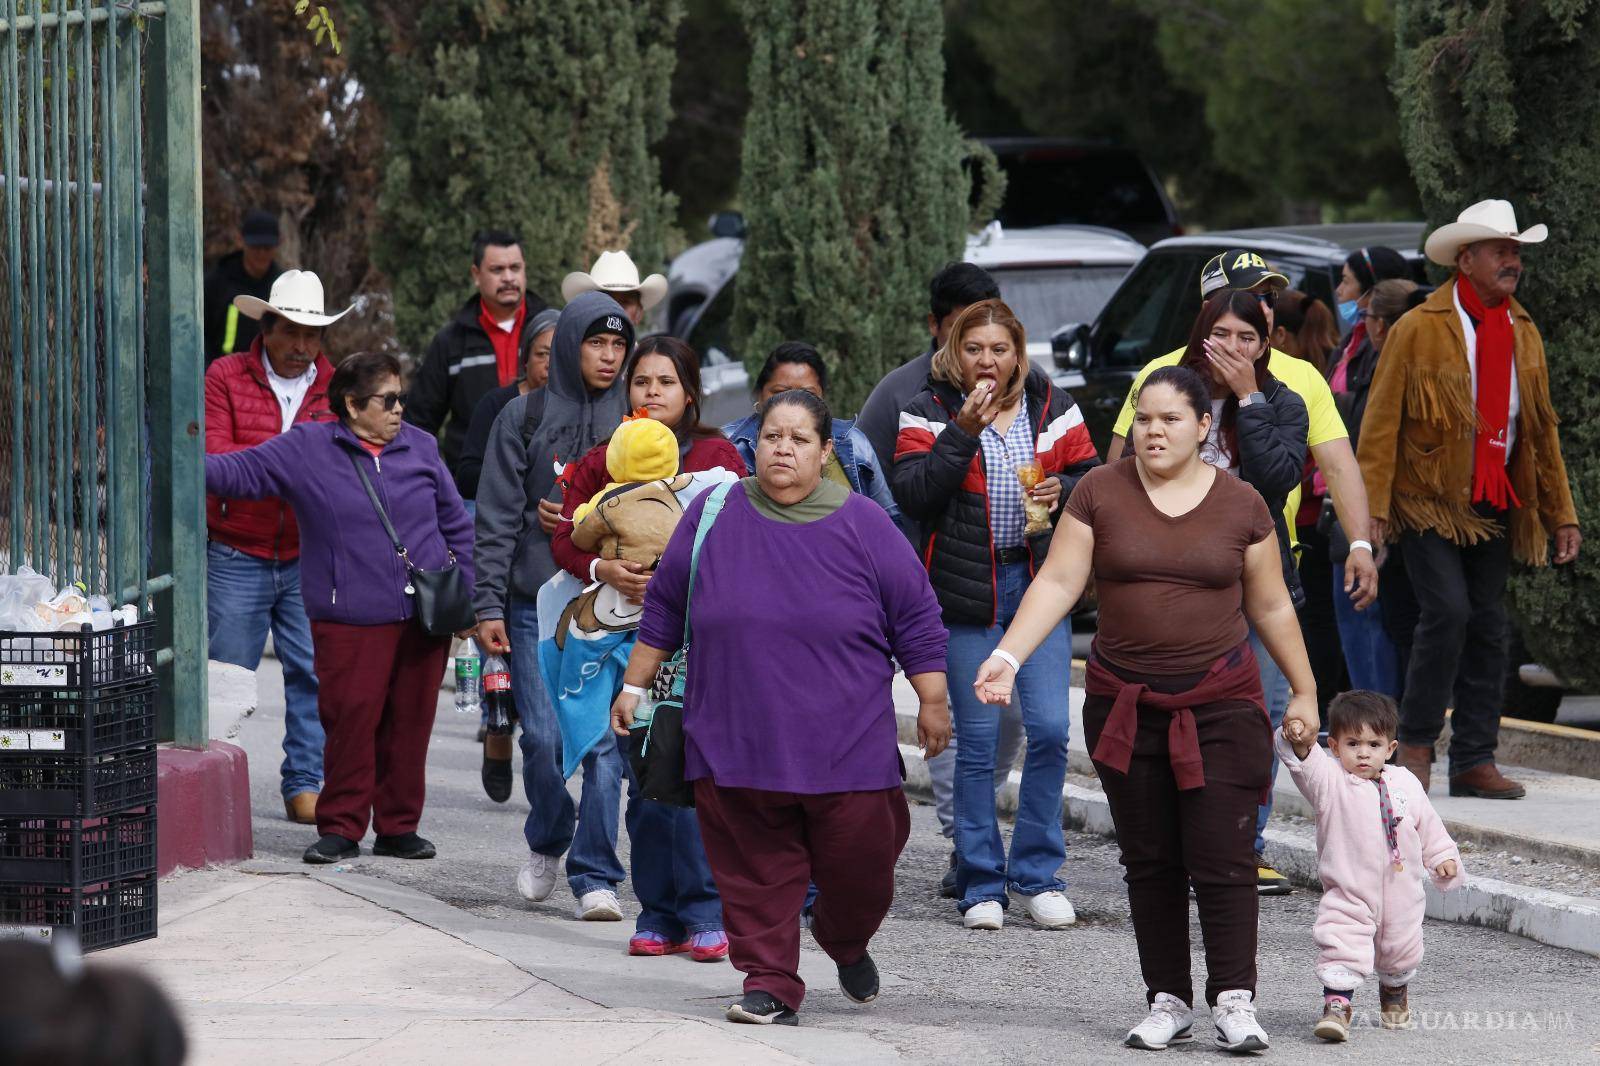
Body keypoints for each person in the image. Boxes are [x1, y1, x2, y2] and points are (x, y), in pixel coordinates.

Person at [974, 365, 1320, 1053]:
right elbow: (1061, 580)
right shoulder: (1100, 492)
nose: (1154, 430)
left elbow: (1273, 603)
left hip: (1221, 705)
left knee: (1223, 857)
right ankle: (1168, 999)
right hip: (1125, 706)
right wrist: (1007, 657)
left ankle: (1234, 999)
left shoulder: (1242, 503)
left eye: (1170, 419)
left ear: (1202, 427)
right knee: (1151, 859)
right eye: (1145, 419)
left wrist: (1305, 689)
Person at [610, 388, 952, 1027]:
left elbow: (917, 618)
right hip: (735, 736)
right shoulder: (714, 513)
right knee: (754, 868)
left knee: (865, 863)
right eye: (772, 436)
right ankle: (769, 982)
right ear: (754, 445)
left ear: (825, 452)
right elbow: (664, 606)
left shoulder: (865, 524)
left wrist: (932, 698)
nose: (783, 449)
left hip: (847, 744)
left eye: (799, 439)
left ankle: (844, 937)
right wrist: (633, 687)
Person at [1105, 249, 1377, 894]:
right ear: (1206, 315)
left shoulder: (1293, 382)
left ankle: (1239, 846)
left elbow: (1330, 466)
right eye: (1242, 299)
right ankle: (1173, 840)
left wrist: (1361, 543)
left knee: (1262, 712)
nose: (1252, 315)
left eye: (1266, 301)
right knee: (1165, 708)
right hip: (1164, 575)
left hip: (1259, 571)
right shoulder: (1161, 375)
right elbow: (1115, 467)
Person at [205, 351, 474, 864]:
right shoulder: (309, 447)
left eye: (402, 398)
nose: (399, 410)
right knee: (350, 721)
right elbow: (240, 472)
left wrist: (474, 598)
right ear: (352, 405)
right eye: (387, 400)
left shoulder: (421, 446)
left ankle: (398, 827)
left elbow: (457, 524)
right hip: (348, 618)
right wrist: (181, 459)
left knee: (411, 723)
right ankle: (343, 827)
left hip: (425, 618)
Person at [1358, 199, 1581, 799]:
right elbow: (1379, 425)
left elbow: (1540, 430)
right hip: (1427, 498)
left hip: (1498, 496)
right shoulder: (1418, 326)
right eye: (1501, 251)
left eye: (1516, 252)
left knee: (1489, 625)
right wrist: (1371, 512)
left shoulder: (1523, 329)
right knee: (1448, 613)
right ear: (1466, 258)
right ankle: (1417, 742)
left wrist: (1562, 513)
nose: (1513, 262)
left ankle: (1475, 759)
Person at [892, 298, 1099, 932]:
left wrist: (1062, 489)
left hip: (1037, 584)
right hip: (963, 593)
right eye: (974, 348)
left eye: (999, 349)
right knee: (976, 745)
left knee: (1049, 732)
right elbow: (915, 490)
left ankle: (1037, 873)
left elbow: (1093, 476)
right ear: (955, 351)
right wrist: (962, 429)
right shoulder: (926, 408)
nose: (987, 361)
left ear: (1018, 352)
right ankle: (981, 879)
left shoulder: (1052, 404)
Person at [547, 334, 745, 961]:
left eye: (666, 382)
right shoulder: (606, 458)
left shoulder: (717, 458)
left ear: (690, 394)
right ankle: (658, 910)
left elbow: (743, 536)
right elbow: (568, 536)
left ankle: (708, 911)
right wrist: (605, 572)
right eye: (641, 382)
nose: (651, 393)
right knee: (646, 780)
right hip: (616, 645)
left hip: (694, 644)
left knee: (692, 776)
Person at [474, 292, 635, 919]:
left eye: (619, 345)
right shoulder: (524, 417)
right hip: (533, 603)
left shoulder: (636, 421)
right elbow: (494, 516)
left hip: (611, 605)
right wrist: (486, 603)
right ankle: (548, 837)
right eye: (597, 342)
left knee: (599, 743)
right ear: (570, 345)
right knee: (541, 738)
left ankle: (595, 875)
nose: (609, 356)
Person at [205, 269, 346, 824]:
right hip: (236, 549)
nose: (303, 347)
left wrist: (266, 464)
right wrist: (295, 465)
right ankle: (218, 780)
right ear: (267, 327)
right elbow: (217, 460)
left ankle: (305, 783)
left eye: (313, 336)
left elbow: (341, 465)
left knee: (312, 673)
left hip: (307, 553)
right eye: (292, 332)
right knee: (228, 674)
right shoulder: (226, 376)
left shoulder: (336, 387)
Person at [1277, 690, 1463, 1043]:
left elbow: (1428, 824)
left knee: (1400, 947)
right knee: (1342, 941)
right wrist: (1297, 738)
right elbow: (1303, 762)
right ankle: (1337, 1005)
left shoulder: (1405, 783)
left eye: (1374, 744)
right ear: (1333, 746)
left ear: (1390, 749)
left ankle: (1394, 992)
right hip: (1349, 887)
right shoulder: (1329, 783)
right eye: (1353, 743)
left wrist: (1443, 857)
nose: (1363, 752)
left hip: (1402, 889)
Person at [1330, 280, 1428, 698]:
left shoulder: (1381, 369)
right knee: (1395, 625)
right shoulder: (1393, 362)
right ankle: (1388, 729)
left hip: (1375, 518)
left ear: (1382, 325)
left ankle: (1379, 728)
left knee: (1371, 624)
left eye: (1367, 314)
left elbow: (1368, 448)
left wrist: (1369, 522)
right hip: (1393, 517)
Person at [404, 229, 549, 468]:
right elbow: (419, 422)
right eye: (497, 270)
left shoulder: (552, 331)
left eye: (515, 268)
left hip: (543, 475)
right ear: (476, 274)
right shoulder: (451, 342)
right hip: (473, 481)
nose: (509, 278)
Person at [722, 341, 900, 524]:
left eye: (807, 394)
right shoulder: (728, 444)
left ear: (825, 449)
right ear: (760, 394)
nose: (793, 402)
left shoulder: (853, 442)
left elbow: (887, 519)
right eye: (780, 392)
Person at [1273, 289, 1348, 724]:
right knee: (1323, 619)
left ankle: (1318, 707)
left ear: (1279, 333)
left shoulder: (1296, 381)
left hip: (1304, 521)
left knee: (1315, 621)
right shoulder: (1329, 367)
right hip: (1322, 517)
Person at [856, 261, 1002, 475]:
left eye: (982, 326)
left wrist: (1060, 485)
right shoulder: (897, 392)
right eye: (959, 328)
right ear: (934, 324)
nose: (973, 340)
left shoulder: (1028, 383)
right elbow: (864, 480)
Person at [454, 307, 560, 504]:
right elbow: (467, 476)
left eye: (558, 355)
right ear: (525, 359)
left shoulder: (577, 408)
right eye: (542, 354)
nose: (550, 363)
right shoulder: (496, 404)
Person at [203, 208, 283, 364]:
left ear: (278, 245)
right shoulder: (216, 283)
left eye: (267, 247)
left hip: (268, 373)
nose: (261, 253)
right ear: (241, 241)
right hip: (221, 372)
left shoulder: (282, 286)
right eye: (255, 247)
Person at [561, 249, 667, 327]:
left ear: (639, 314)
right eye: (606, 301)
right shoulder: (572, 356)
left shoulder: (645, 357)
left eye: (625, 302)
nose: (614, 309)